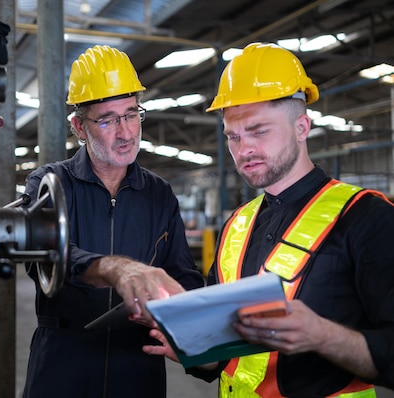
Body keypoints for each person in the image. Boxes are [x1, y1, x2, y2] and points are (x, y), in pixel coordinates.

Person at [143, 42, 394, 396]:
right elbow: (228, 353)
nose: (243, 149)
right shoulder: (237, 225)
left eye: (259, 130)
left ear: (302, 127)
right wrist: (195, 349)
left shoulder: (368, 218)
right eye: (233, 136)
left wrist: (323, 335)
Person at [21, 45, 204, 398]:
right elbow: (41, 253)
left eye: (131, 114)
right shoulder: (50, 184)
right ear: (79, 126)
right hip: (62, 366)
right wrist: (114, 270)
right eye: (107, 119)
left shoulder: (159, 194)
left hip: (137, 370)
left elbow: (183, 275)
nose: (125, 132)